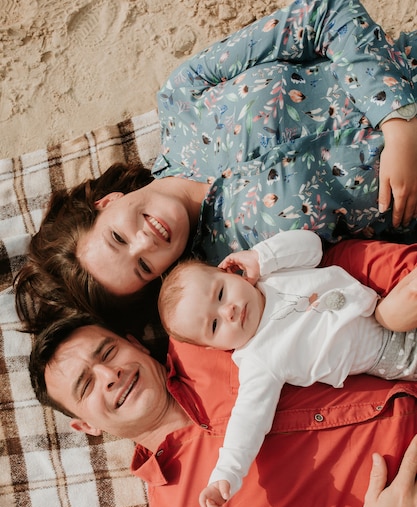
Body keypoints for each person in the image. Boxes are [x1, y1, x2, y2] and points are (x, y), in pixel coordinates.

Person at [28, 238, 417, 507]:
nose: (110, 376)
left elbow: (313, 270)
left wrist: (404, 280)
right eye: (85, 385)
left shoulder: (205, 322)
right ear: (85, 426)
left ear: (135, 344)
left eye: (108, 353)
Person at [14, 0, 417, 333]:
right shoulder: (232, 278)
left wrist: (397, 120)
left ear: (106, 202)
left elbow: (323, 15)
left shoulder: (182, 98)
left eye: (118, 237)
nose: (146, 243)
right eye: (141, 267)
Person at [158, 229, 417, 507]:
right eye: (215, 326)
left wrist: (261, 256)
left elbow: (313, 247)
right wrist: (225, 475)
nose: (228, 311)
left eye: (220, 293)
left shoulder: (269, 273)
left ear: (230, 271)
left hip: (386, 299)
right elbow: (248, 421)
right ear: (213, 347)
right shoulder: (258, 360)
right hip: (393, 353)